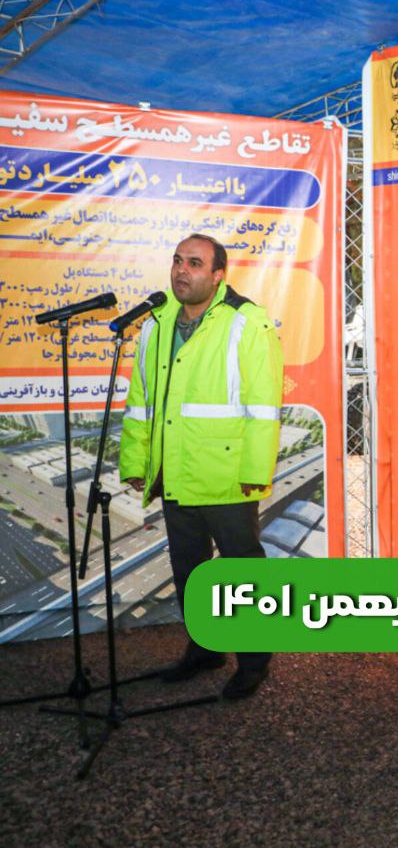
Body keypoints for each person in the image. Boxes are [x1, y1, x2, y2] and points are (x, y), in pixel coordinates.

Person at [119, 233, 283, 701]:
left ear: (217, 275)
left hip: (228, 476)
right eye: (177, 261)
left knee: (243, 575)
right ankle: (205, 648)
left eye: (194, 263)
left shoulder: (247, 321)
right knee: (189, 572)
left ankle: (254, 661)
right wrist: (137, 460)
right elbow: (141, 401)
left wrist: (255, 471)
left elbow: (263, 405)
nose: (181, 270)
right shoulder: (155, 325)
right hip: (174, 472)